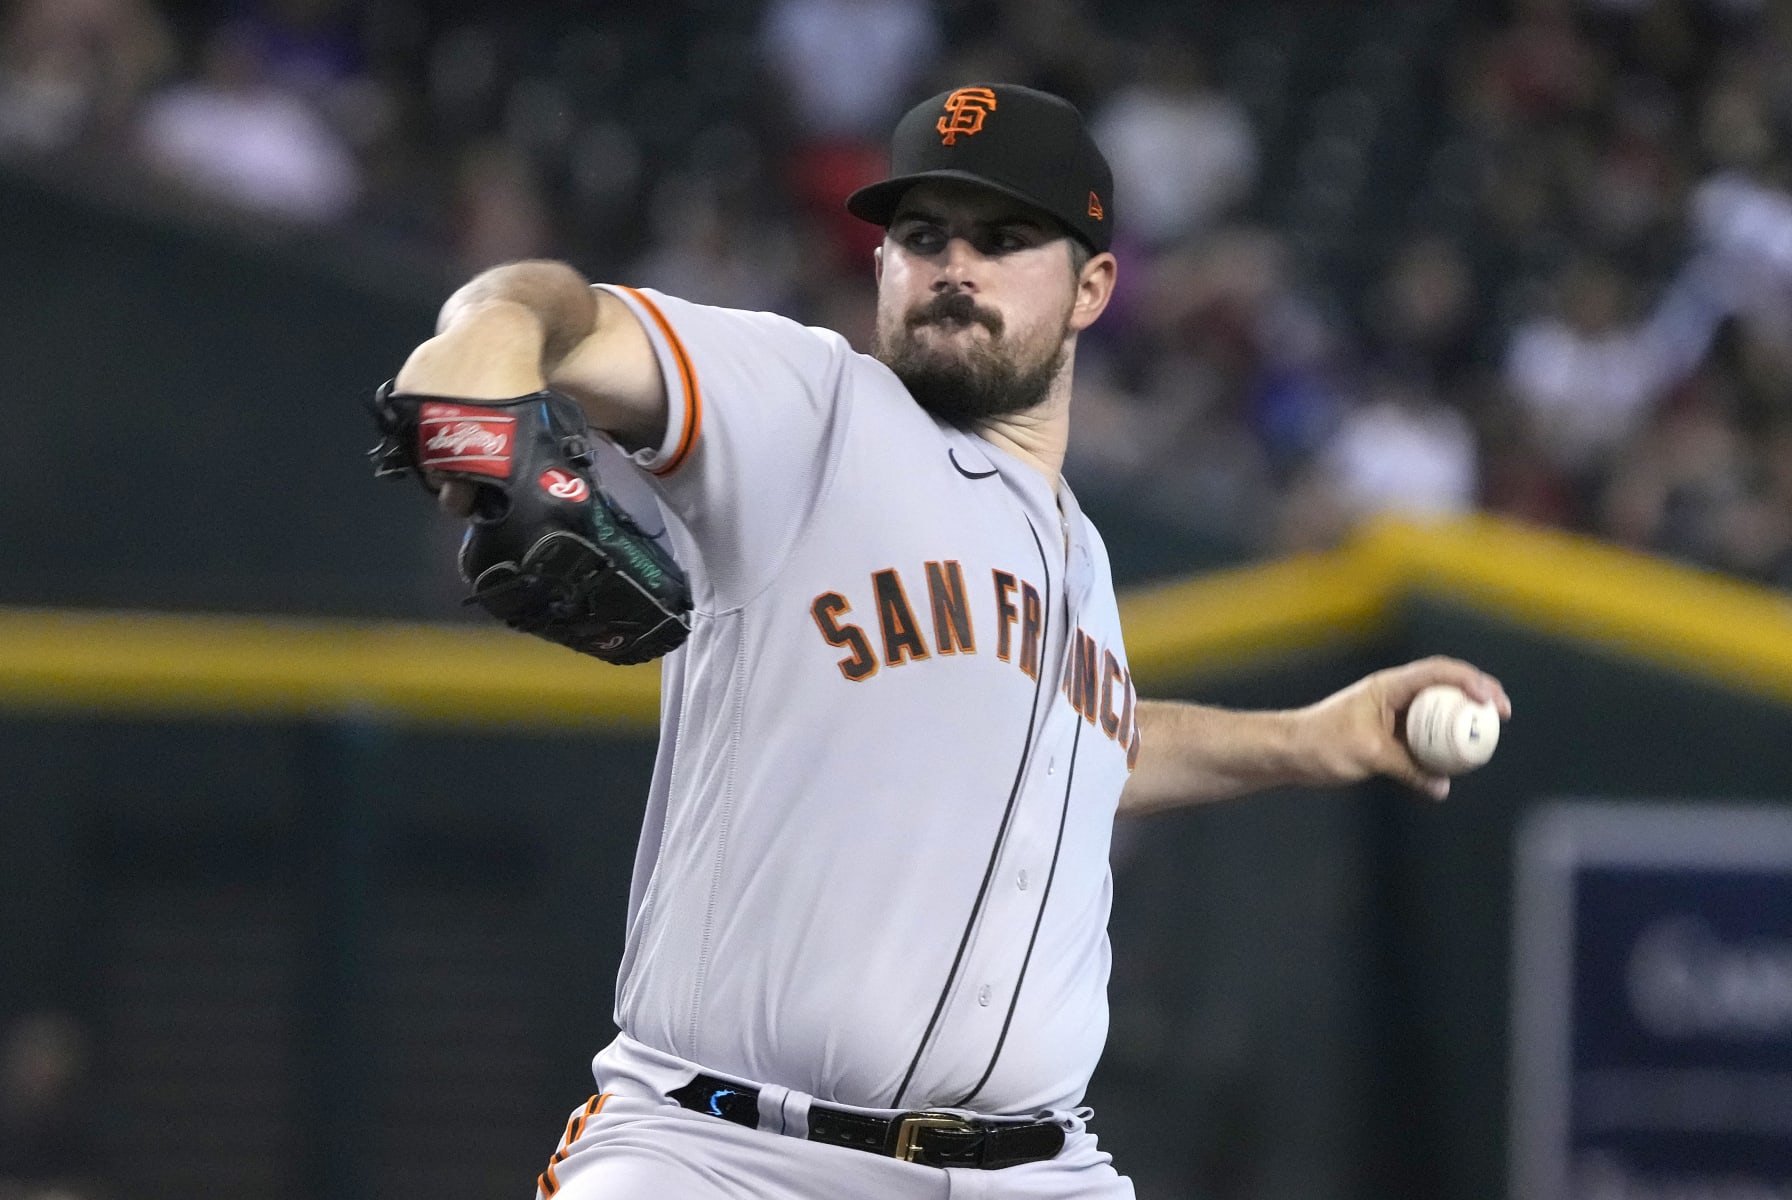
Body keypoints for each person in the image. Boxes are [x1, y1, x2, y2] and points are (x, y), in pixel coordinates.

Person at [388, 83, 1511, 1199]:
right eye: (921, 237)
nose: (954, 267)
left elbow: (1081, 755)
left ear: (1093, 286)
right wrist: (489, 337)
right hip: (724, 1155)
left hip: (1037, 1170)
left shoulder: (1081, 556)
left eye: (1006, 238)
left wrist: (1316, 738)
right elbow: (558, 311)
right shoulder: (809, 412)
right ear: (881, 265)